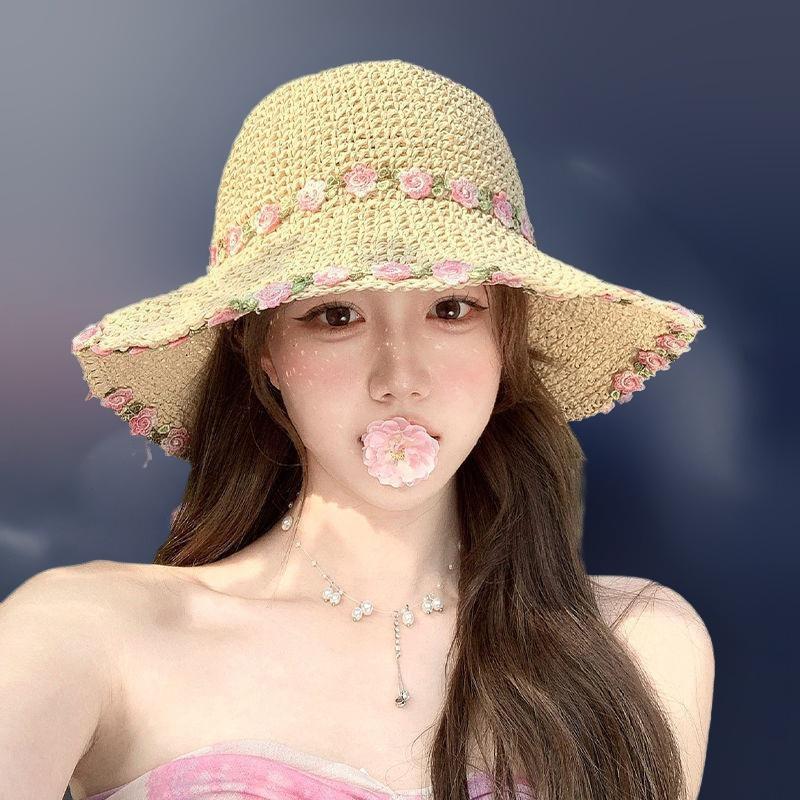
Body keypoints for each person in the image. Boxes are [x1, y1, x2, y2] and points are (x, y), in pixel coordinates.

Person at [0, 59, 714, 800]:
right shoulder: (84, 635)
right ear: (264, 352)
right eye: (336, 316)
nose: (399, 376)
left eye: (451, 309)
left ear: (507, 338)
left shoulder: (640, 645)